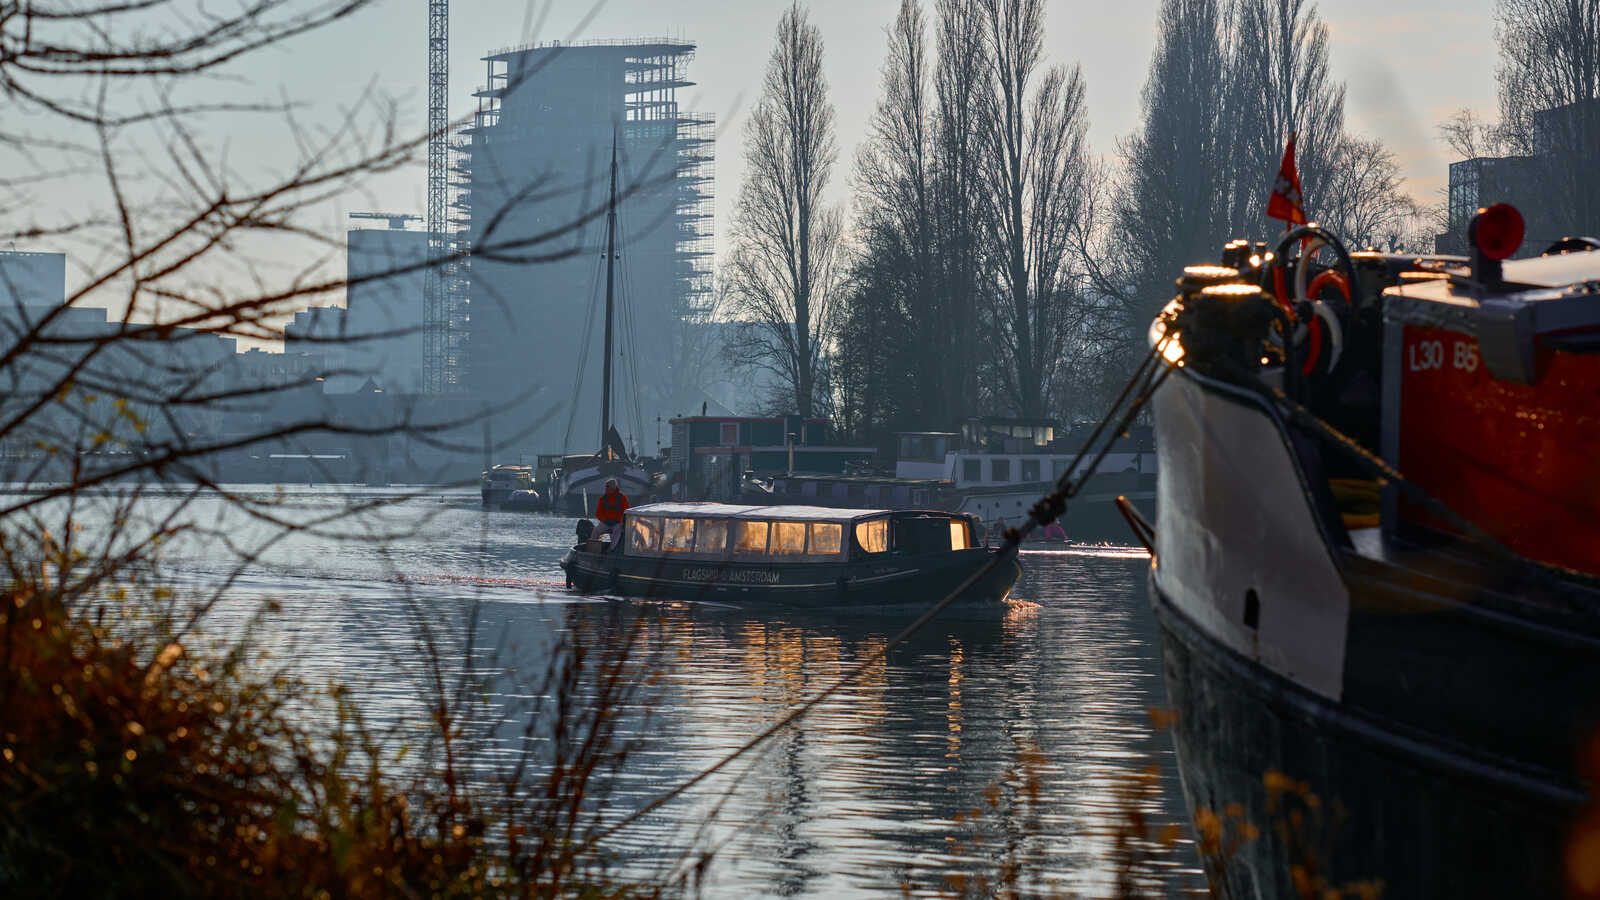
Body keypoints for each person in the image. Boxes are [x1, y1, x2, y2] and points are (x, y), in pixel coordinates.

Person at [595, 478, 630, 548]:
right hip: (606, 522)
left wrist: (620, 521)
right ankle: (594, 547)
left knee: (617, 532)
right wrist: (604, 520)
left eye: (607, 486)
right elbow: (598, 513)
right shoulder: (603, 498)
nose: (606, 488)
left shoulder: (622, 498)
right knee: (596, 530)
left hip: (617, 523)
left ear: (613, 487)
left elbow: (626, 511)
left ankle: (612, 549)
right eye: (606, 486)